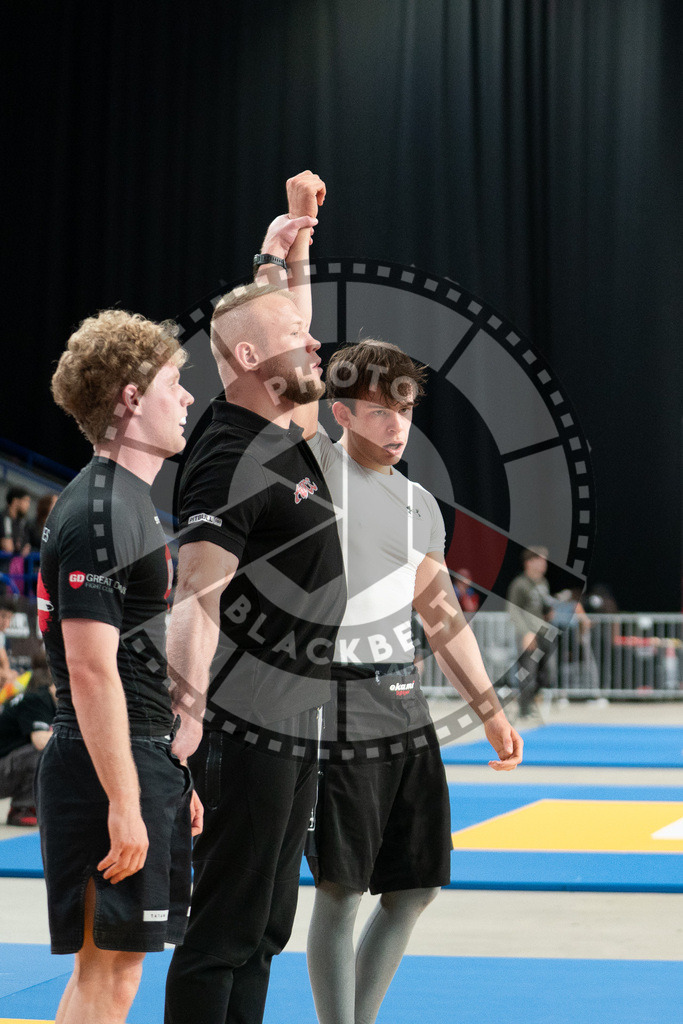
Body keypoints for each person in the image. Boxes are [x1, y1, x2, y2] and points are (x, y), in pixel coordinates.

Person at [284, 182, 522, 1024]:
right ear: (341, 411)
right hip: (332, 699)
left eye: (406, 409)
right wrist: (298, 249)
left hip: (402, 698)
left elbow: (440, 615)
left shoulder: (421, 503)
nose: (395, 425)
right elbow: (291, 347)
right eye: (379, 409)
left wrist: (488, 709)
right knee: (342, 892)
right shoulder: (315, 462)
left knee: (415, 884)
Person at [164, 172, 346, 1024]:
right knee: (228, 924)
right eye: (296, 339)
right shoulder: (227, 454)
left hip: (295, 714)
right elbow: (198, 593)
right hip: (242, 721)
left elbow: (281, 328)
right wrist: (191, 712)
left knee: (269, 922)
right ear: (245, 361)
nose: (316, 347)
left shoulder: (284, 430)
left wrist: (290, 252)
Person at [35, 308, 201, 1024]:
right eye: (174, 382)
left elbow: (131, 659)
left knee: (108, 972)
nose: (188, 397)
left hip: (134, 756)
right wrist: (127, 800)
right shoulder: (101, 510)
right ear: (131, 398)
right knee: (110, 979)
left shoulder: (129, 504)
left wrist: (166, 773)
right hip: (107, 765)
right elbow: (92, 670)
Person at [0, 652, 56, 826]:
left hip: (5, 764)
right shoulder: (38, 699)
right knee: (44, 751)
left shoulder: (39, 693)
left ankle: (32, 805)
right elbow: (40, 741)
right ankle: (21, 809)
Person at [506, 546, 556, 716]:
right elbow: (513, 610)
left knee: (547, 673)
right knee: (528, 671)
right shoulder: (520, 584)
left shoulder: (543, 583)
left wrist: (549, 611)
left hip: (544, 632)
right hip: (529, 634)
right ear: (530, 562)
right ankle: (524, 708)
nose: (544, 564)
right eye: (540, 560)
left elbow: (540, 606)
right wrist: (525, 632)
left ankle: (533, 701)